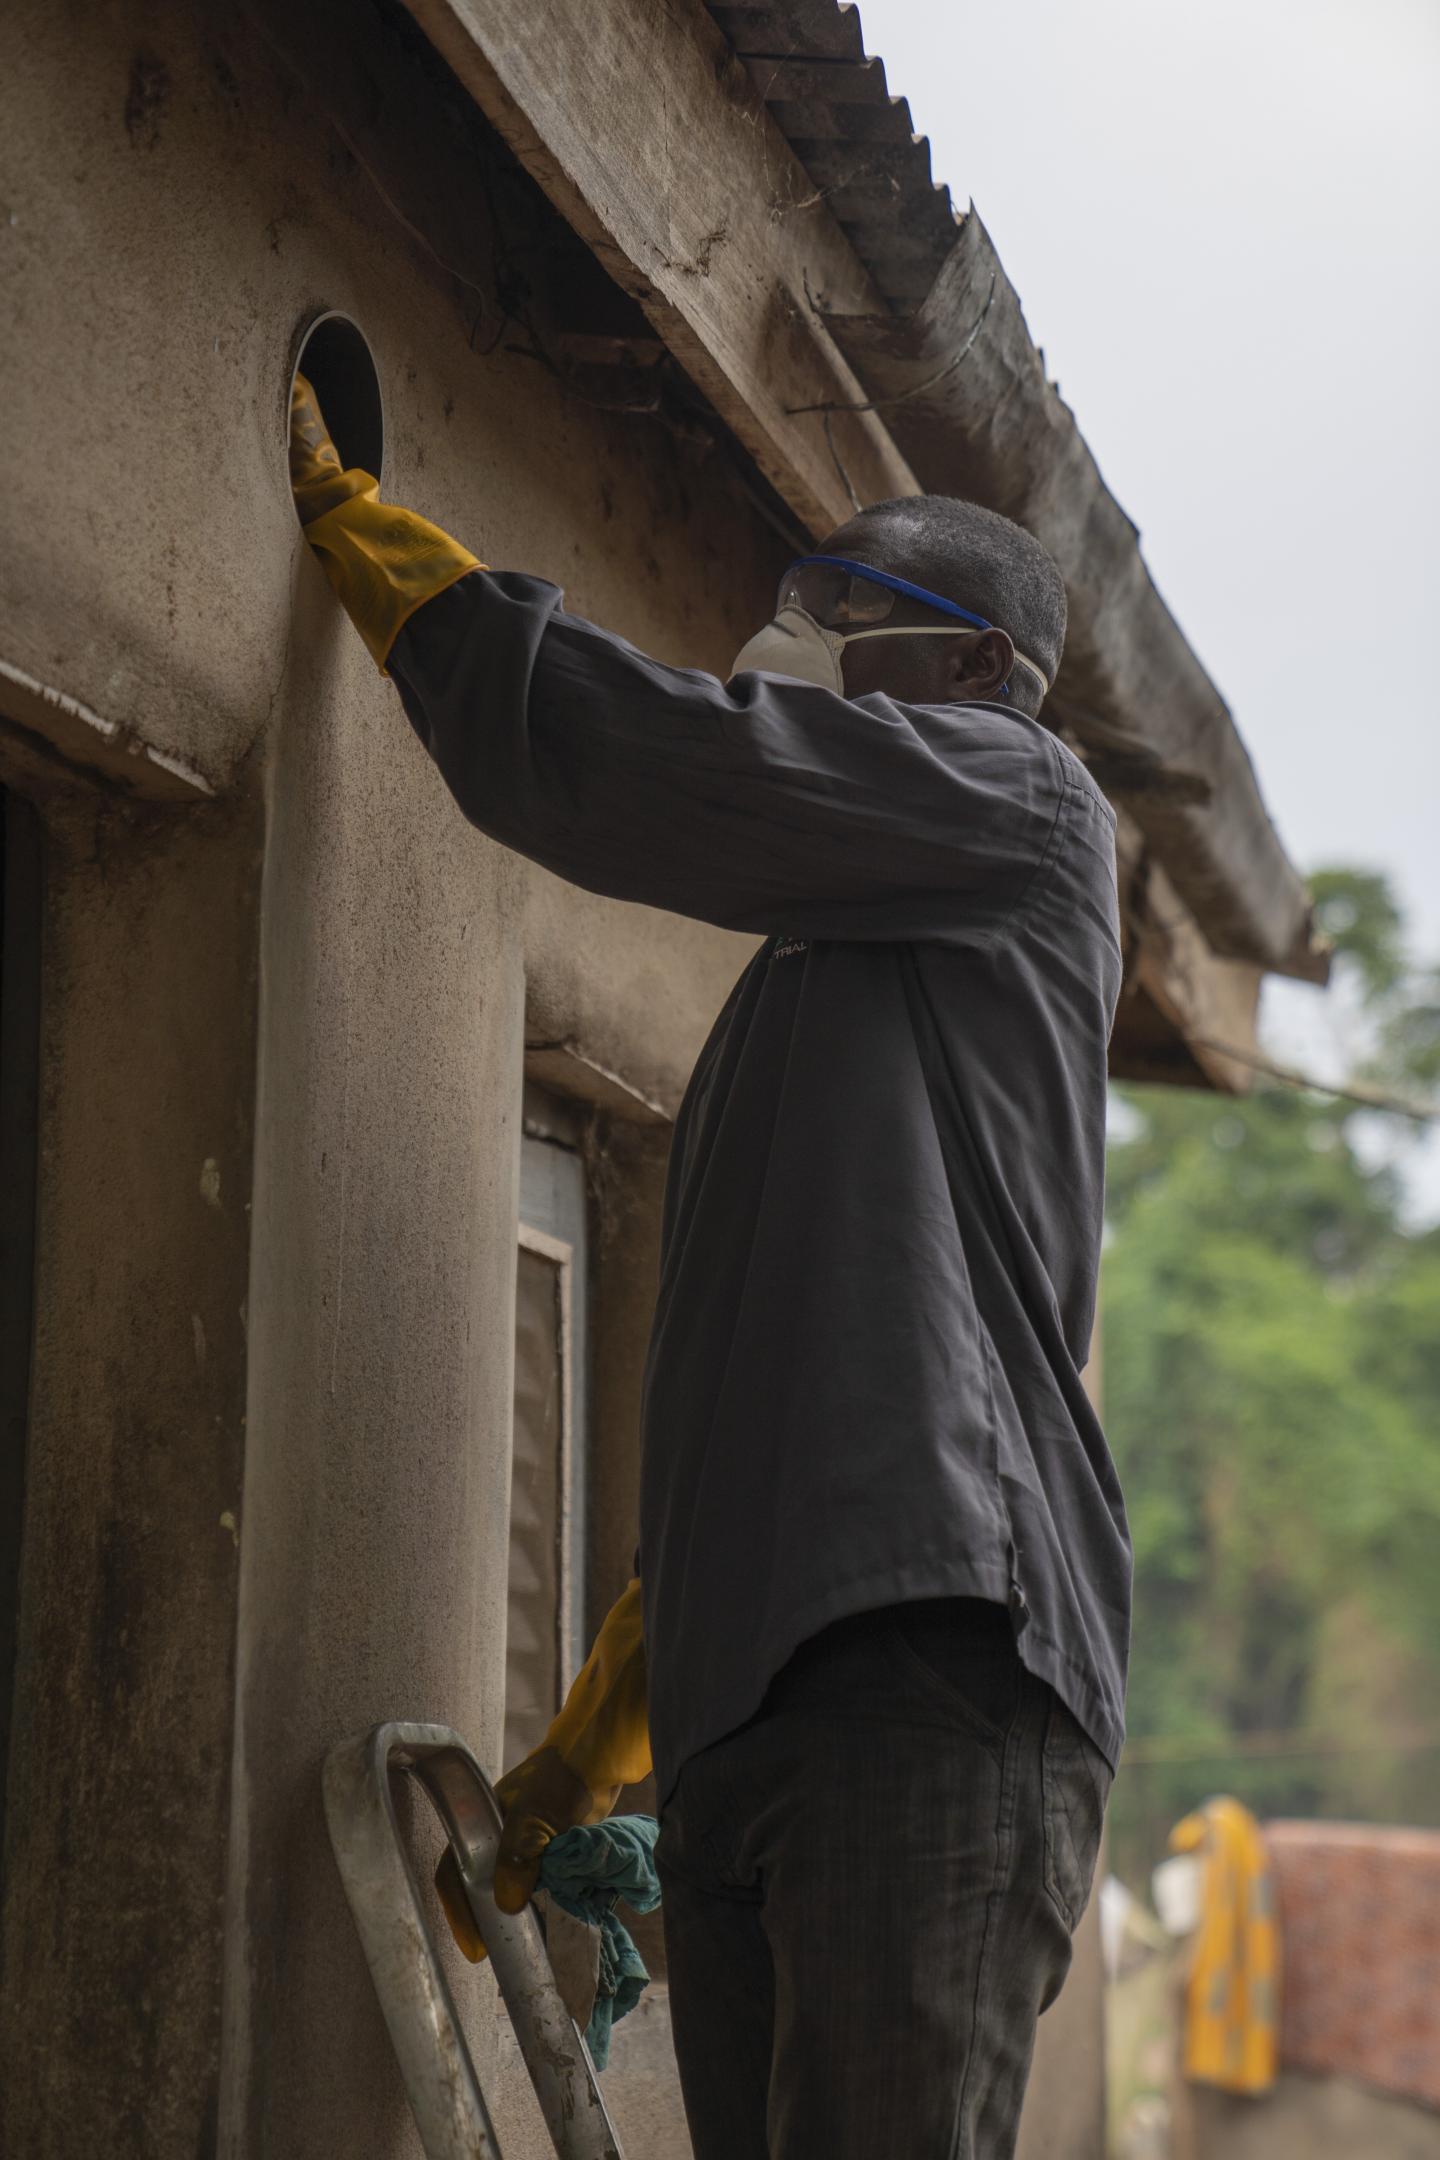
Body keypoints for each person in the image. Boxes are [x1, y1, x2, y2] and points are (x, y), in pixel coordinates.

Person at [290, 374, 1128, 2159]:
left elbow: (677, 770)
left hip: (937, 1678)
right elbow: (778, 1390)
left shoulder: (1028, 809)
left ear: (983, 676)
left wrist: (404, 575)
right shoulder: (792, 1023)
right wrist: (604, 1735)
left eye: (852, 611)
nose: (793, 633)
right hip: (764, 1723)